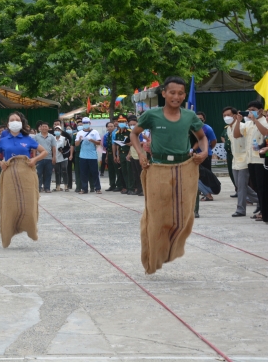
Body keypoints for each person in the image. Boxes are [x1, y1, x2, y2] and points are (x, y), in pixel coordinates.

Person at [130, 76, 208, 274]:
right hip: (157, 168)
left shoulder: (190, 116)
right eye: (172, 92)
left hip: (184, 167)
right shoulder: (152, 115)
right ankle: (152, 258)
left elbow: (202, 137)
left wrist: (204, 152)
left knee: (184, 216)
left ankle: (170, 249)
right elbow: (134, 134)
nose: (176, 96)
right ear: (164, 93)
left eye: (180, 93)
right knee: (155, 216)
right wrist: (140, 154)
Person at [0, 112, 47, 247]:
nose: (15, 121)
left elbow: (44, 151)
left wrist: (34, 159)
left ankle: (31, 229)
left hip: (26, 174)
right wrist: (1, 163)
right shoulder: (3, 140)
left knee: (29, 203)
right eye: (12, 120)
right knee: (9, 205)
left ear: (21, 123)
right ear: (8, 124)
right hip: (9, 174)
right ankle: (8, 234)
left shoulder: (28, 139)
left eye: (17, 119)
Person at [232, 100, 268, 223]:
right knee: (257, 187)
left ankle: (264, 212)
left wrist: (256, 120)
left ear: (260, 111)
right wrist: (238, 120)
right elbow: (236, 134)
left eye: (253, 109)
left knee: (263, 187)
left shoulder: (264, 121)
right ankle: (262, 210)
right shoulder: (247, 124)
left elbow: (266, 133)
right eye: (249, 110)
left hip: (261, 160)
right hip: (250, 159)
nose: (250, 112)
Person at [223, 107, 258, 217]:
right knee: (239, 185)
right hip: (235, 159)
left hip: (244, 159)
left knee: (242, 186)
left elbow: (238, 135)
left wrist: (238, 121)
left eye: (228, 115)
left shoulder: (243, 126)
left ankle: (241, 209)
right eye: (224, 115)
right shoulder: (228, 128)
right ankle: (261, 199)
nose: (226, 117)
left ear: (235, 115)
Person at [75, 117, 102, 194]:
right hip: (83, 156)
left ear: (90, 123)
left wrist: (92, 140)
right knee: (83, 173)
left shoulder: (95, 132)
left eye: (87, 123)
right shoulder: (79, 133)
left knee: (94, 172)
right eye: (84, 123)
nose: (85, 124)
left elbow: (99, 143)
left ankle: (97, 188)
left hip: (92, 156)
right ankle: (84, 189)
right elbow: (76, 144)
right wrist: (80, 140)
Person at [34, 121, 57, 193]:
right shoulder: (36, 136)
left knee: (48, 173)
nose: (44, 128)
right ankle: (38, 188)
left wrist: (54, 157)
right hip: (39, 158)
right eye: (42, 126)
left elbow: (53, 147)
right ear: (40, 128)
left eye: (45, 126)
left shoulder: (52, 137)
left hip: (49, 158)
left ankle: (47, 188)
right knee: (38, 173)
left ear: (48, 128)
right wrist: (34, 158)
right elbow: (34, 148)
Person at [102, 122, 120, 191]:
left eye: (111, 126)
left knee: (117, 170)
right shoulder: (107, 135)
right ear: (106, 128)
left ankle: (119, 185)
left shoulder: (116, 133)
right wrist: (106, 156)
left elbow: (115, 145)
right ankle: (112, 185)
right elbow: (107, 147)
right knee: (111, 171)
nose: (110, 128)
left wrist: (115, 155)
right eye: (108, 126)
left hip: (115, 154)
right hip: (109, 153)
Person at [53, 125, 70, 191]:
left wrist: (63, 151)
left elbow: (68, 147)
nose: (57, 131)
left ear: (61, 131)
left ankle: (66, 185)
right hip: (55, 157)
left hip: (63, 158)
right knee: (57, 172)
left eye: (58, 130)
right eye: (56, 130)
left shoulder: (64, 139)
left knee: (64, 171)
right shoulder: (52, 138)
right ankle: (58, 186)